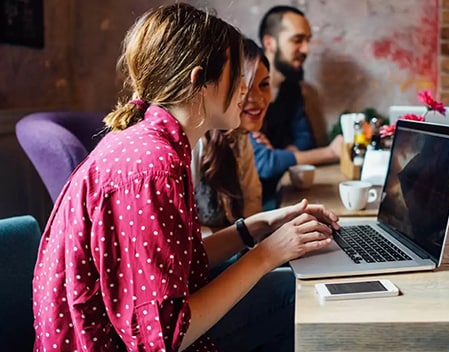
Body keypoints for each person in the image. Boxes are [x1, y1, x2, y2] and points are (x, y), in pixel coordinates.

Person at [32, 4, 338, 352]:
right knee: (299, 296)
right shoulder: (152, 167)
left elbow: (179, 264)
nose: (245, 87)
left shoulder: (155, 144)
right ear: (199, 82)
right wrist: (267, 253)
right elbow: (164, 337)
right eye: (236, 74)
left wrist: (255, 227)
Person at [254, 5, 343, 210]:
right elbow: (265, 164)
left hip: (280, 193)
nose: (306, 49)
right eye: (297, 40)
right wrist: (330, 152)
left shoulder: (292, 88)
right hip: (252, 205)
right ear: (270, 42)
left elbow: (306, 142)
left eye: (308, 40)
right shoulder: (246, 91)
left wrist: (279, 156)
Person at [192, 38, 272, 232]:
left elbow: (252, 204)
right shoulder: (195, 142)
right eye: (244, 86)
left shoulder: (241, 137)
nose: (257, 98)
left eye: (264, 84)